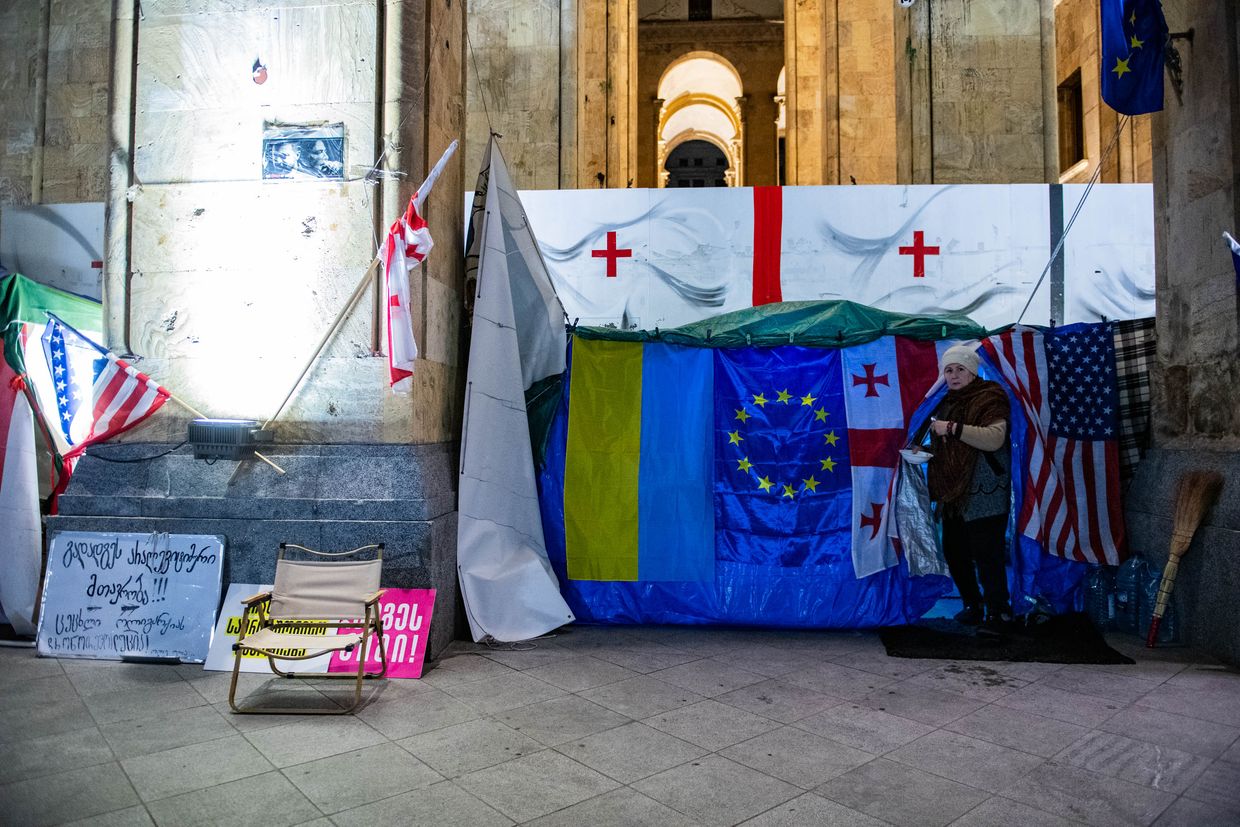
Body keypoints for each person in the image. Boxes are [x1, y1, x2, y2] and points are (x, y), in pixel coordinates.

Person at [926, 344, 1014, 633]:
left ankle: (999, 613)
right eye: (948, 370)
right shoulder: (946, 401)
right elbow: (946, 445)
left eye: (960, 369)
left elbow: (994, 438)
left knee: (987, 554)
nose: (953, 375)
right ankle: (973, 605)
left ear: (973, 371)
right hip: (954, 492)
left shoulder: (990, 396)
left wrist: (952, 428)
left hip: (986, 490)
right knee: (954, 551)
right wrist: (924, 450)